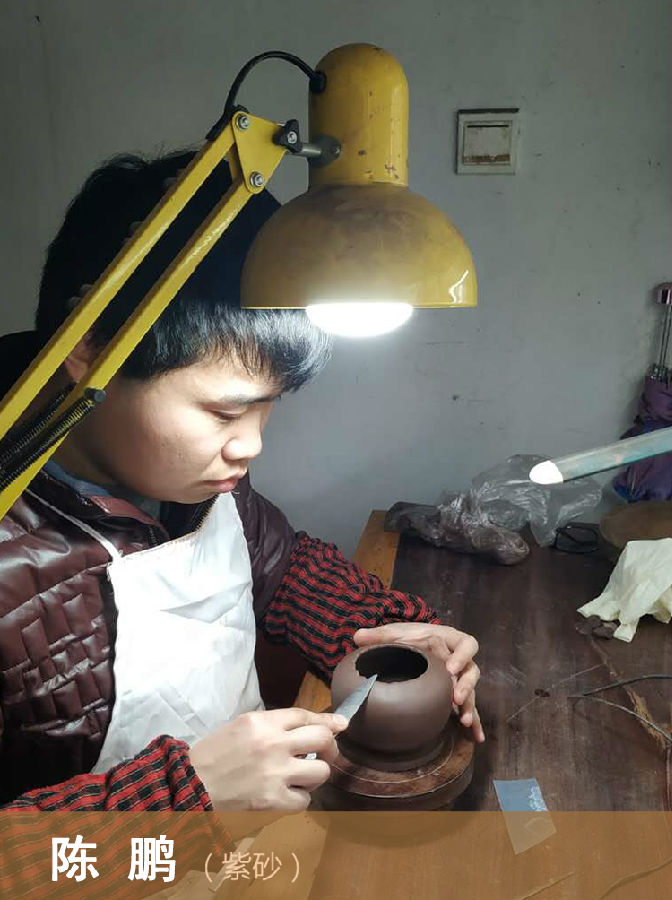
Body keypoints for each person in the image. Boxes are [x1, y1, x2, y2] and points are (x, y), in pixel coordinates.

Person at [0, 151, 483, 814]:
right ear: (90, 348)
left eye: (268, 406)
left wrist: (392, 633)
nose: (251, 445)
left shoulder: (188, 478)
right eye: (224, 412)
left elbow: (281, 570)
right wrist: (183, 798)